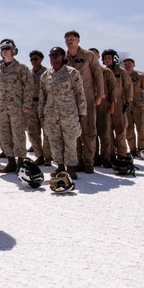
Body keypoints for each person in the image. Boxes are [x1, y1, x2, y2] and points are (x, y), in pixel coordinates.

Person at [39, 46, 87, 178]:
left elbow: (80, 94)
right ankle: (60, 166)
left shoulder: (72, 73)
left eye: (56, 55)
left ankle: (71, 167)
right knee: (54, 141)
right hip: (51, 114)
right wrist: (41, 112)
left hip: (69, 113)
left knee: (70, 140)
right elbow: (43, 95)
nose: (53, 58)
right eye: (51, 55)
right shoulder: (46, 75)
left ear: (63, 56)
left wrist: (82, 112)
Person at [64, 30, 104, 174]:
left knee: (88, 131)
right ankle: (77, 161)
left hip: (87, 96)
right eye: (67, 39)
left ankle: (89, 161)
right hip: (69, 98)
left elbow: (98, 75)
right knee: (74, 131)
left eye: (72, 39)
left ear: (78, 40)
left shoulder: (88, 55)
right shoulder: (64, 57)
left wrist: (99, 94)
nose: (69, 41)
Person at [0, 38, 33, 173]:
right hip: (1, 107)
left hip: (17, 107)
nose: (4, 51)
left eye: (7, 49)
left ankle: (21, 162)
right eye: (2, 49)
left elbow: (28, 86)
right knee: (4, 134)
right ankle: (10, 161)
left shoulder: (21, 68)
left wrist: (27, 104)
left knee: (18, 135)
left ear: (13, 50)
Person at [100, 48, 133, 164]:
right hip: (105, 103)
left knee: (120, 130)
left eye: (109, 58)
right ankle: (110, 155)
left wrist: (128, 102)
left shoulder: (121, 72)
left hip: (119, 103)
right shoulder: (101, 72)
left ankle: (122, 154)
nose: (107, 60)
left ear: (114, 58)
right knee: (107, 131)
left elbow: (128, 87)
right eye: (105, 58)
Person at [90, 47, 116, 168]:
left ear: (99, 57)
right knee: (91, 133)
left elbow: (113, 89)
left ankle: (106, 157)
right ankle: (94, 157)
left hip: (103, 105)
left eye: (95, 55)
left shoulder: (106, 72)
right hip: (90, 105)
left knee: (105, 132)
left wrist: (112, 103)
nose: (93, 56)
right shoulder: (86, 71)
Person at [123, 57, 144, 155]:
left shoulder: (141, 77)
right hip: (127, 106)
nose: (127, 66)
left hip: (139, 106)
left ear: (134, 65)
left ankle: (142, 149)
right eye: (125, 64)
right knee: (129, 129)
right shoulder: (122, 77)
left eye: (129, 64)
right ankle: (132, 150)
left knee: (141, 128)